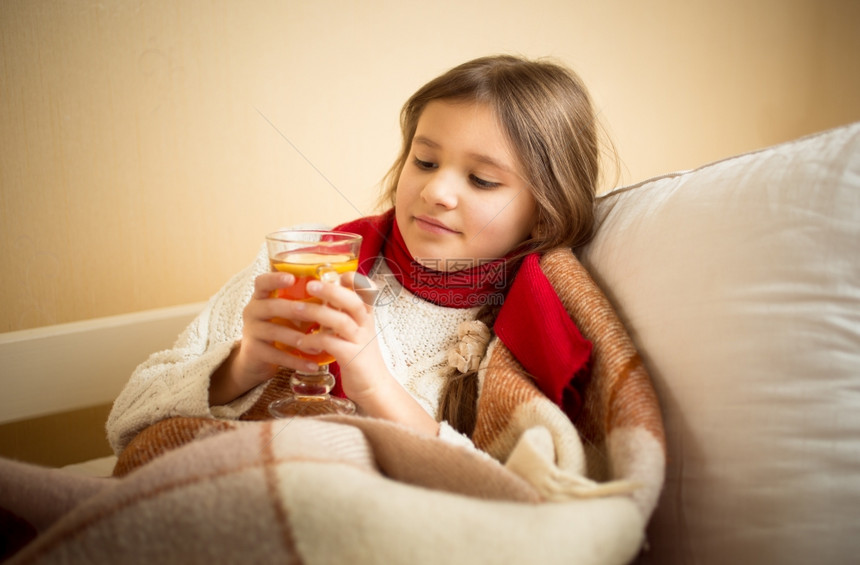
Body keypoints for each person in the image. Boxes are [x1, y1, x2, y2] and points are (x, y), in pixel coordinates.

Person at [106, 54, 606, 455]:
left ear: (543, 213)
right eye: (425, 160)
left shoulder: (534, 319)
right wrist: (243, 366)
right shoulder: (304, 262)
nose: (436, 190)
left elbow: (523, 498)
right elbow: (127, 422)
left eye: (482, 179)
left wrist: (374, 386)